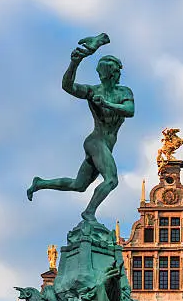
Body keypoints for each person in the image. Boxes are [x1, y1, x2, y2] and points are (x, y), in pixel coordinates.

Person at [27, 34, 134, 222]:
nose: (118, 74)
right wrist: (74, 63)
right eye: (115, 71)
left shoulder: (123, 92)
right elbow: (67, 86)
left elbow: (129, 110)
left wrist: (107, 104)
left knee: (79, 185)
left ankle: (40, 183)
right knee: (111, 180)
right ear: (111, 73)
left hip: (105, 145)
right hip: (96, 142)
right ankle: (89, 212)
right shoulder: (93, 91)